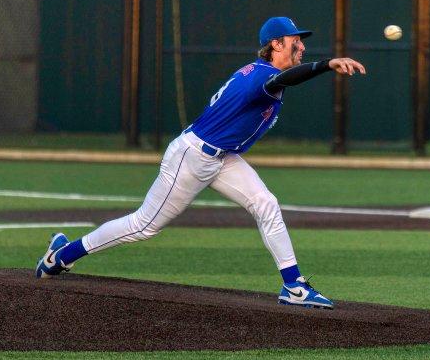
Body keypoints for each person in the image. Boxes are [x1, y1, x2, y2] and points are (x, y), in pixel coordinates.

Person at [35, 16, 366, 309]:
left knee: (266, 204)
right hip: (193, 157)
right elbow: (283, 80)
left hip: (223, 156)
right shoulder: (264, 76)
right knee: (143, 226)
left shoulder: (260, 72)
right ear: (276, 44)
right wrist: (326, 65)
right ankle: (61, 256)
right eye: (296, 41)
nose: (302, 47)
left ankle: (293, 286)